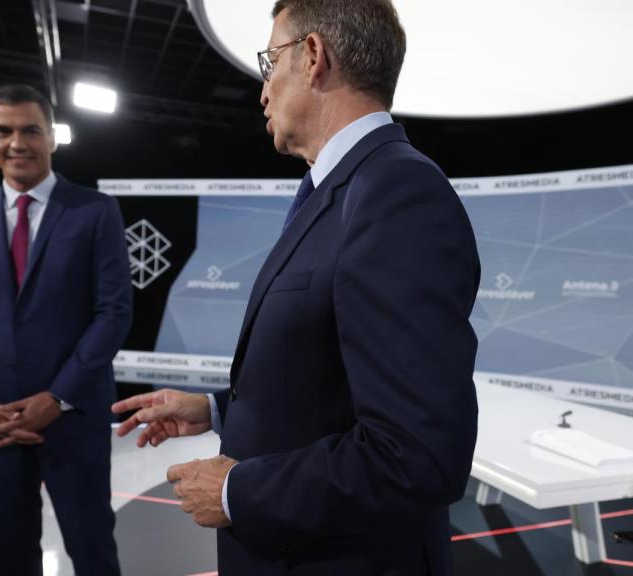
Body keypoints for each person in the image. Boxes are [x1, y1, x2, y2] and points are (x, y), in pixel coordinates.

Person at [112, 1, 480, 574]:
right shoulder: (346, 189)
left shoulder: (396, 194)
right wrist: (215, 409)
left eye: (269, 62)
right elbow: (326, 383)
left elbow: (418, 453)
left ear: (312, 57)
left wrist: (241, 492)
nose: (262, 91)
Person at [0, 84, 131, 576]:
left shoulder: (95, 211)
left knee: (93, 554)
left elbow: (114, 314)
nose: (16, 143)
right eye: (4, 131)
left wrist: (55, 399)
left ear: (51, 138)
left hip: (71, 420)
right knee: (13, 559)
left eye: (30, 131)